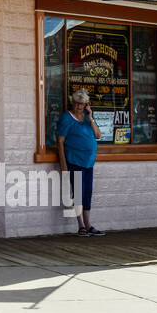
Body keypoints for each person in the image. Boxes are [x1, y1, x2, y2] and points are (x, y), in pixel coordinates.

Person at [56, 89, 102, 236]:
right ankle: (80, 225)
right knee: (78, 193)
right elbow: (60, 141)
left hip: (89, 162)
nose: (79, 106)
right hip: (75, 161)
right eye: (76, 103)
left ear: (86, 105)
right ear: (73, 103)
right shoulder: (67, 118)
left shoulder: (88, 118)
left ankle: (88, 224)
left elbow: (98, 135)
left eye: (82, 104)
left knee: (87, 192)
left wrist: (91, 117)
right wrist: (63, 164)